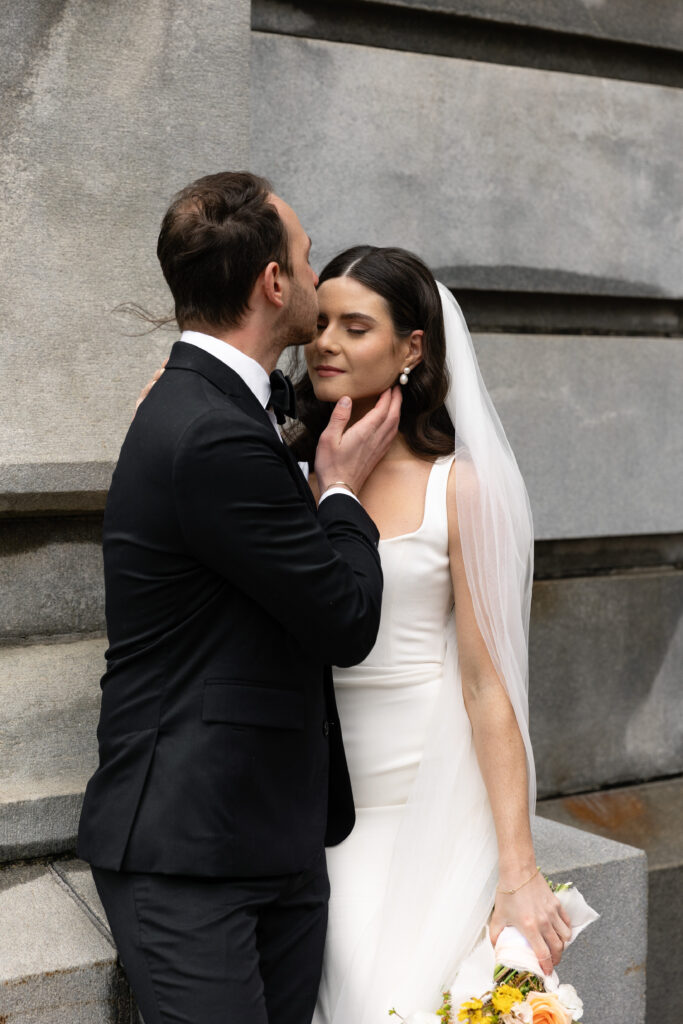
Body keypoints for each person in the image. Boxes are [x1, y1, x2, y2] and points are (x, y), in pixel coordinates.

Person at [77, 173, 402, 1024]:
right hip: (189, 850)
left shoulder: (220, 405)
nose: (311, 271)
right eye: (302, 256)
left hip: (269, 833)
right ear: (271, 283)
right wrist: (340, 494)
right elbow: (343, 616)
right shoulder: (210, 429)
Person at [285, 246, 573, 1023]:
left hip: (429, 805)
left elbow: (488, 686)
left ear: (412, 348)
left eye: (355, 326)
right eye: (320, 324)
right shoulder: (284, 473)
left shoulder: (461, 488)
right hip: (316, 814)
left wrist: (518, 869)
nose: (326, 344)